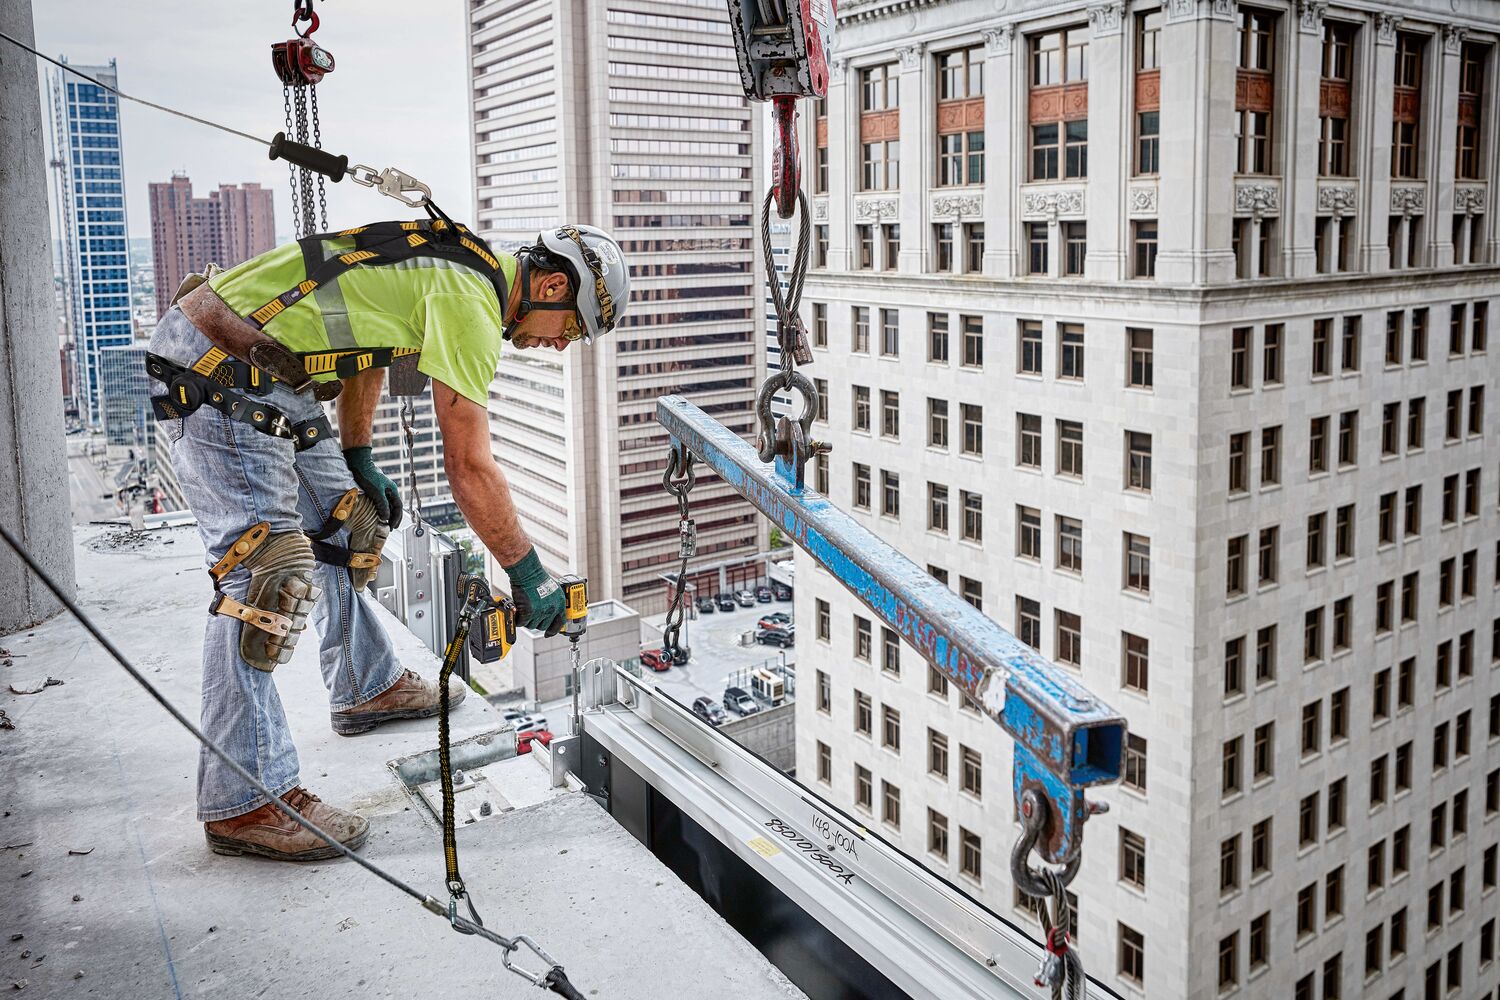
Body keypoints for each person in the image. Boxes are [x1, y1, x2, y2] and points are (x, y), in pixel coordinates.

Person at [145, 219, 629, 861]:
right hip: (217, 364)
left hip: (269, 369)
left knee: (351, 522)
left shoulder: (456, 265)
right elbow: (469, 466)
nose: (560, 345)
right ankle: (245, 799)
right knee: (264, 574)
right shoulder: (471, 299)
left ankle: (364, 684)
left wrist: (357, 453)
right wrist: (527, 571)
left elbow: (366, 345)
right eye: (569, 329)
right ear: (552, 284)